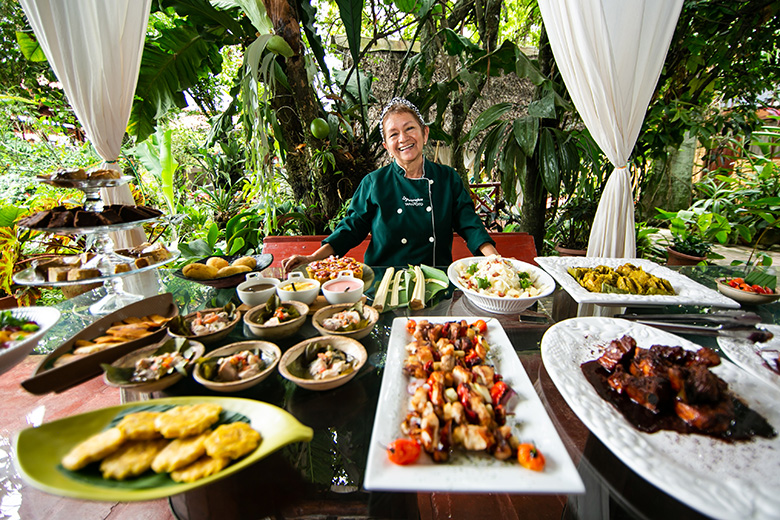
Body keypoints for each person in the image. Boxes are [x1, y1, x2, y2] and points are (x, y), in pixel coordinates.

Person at [281, 97, 498, 272]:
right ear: (386, 145)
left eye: (410, 129)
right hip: (383, 281)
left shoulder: (447, 179)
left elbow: (470, 224)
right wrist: (312, 258)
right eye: (394, 134)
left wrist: (494, 259)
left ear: (425, 133)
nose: (403, 138)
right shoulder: (374, 183)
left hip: (436, 281)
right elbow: (350, 229)